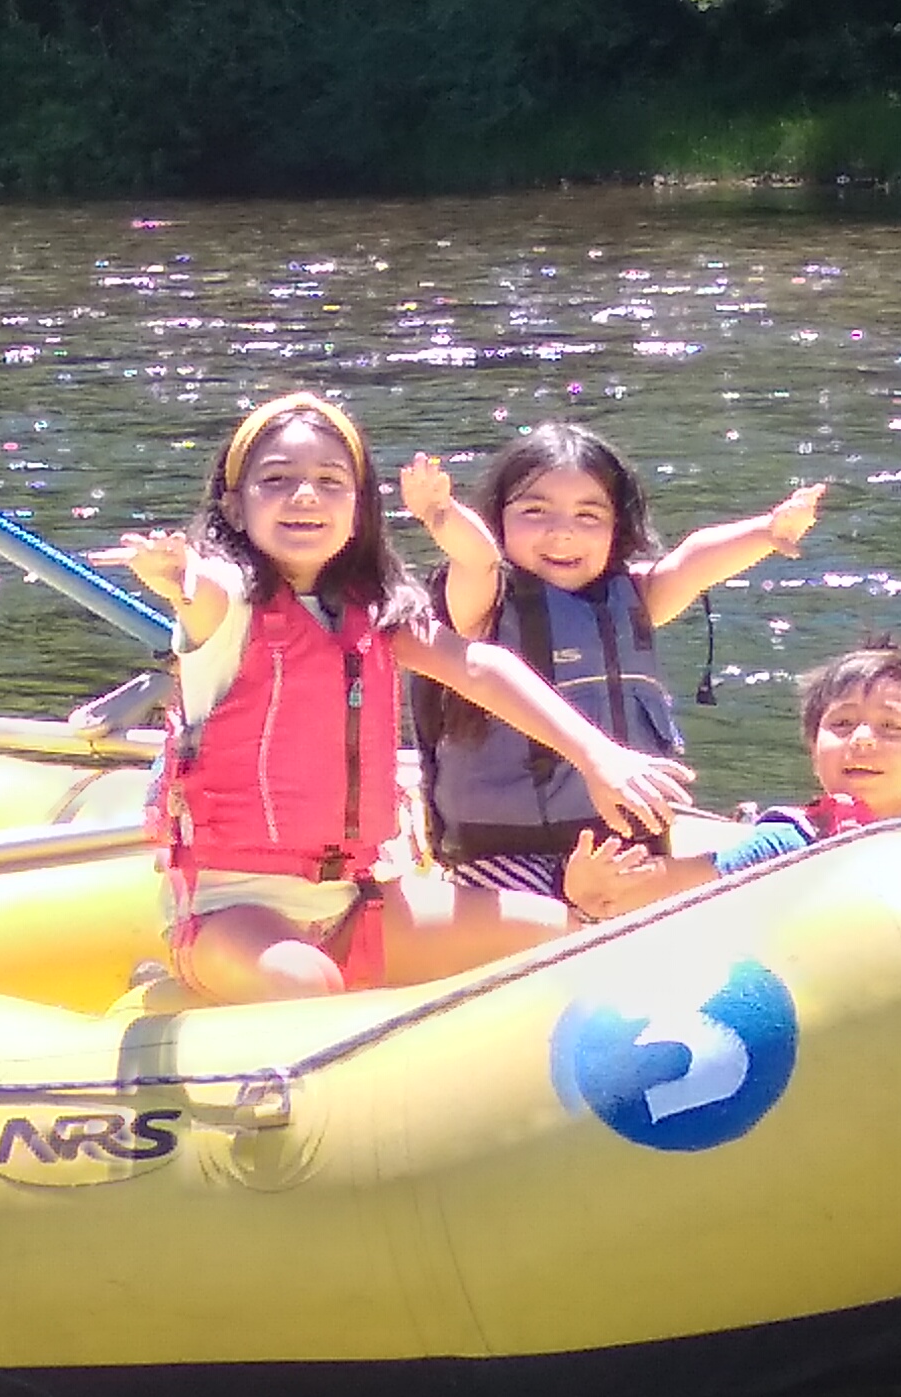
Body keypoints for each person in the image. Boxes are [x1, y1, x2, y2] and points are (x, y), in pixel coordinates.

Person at [107, 392, 700, 1000]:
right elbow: (202, 589)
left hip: (357, 902)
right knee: (305, 981)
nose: (305, 496)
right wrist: (177, 575)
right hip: (231, 907)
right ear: (234, 506)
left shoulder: (376, 613)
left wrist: (599, 757)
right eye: (277, 480)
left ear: (360, 506)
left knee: (578, 939)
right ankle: (187, 984)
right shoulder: (227, 601)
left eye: (330, 481)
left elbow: (479, 666)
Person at [394, 420, 827, 898]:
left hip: (628, 846)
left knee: (682, 894)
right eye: (535, 512)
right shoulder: (482, 602)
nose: (563, 534)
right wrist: (441, 514)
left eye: (589, 516)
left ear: (616, 529)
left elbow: (691, 561)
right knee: (577, 920)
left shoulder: (631, 599)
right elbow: (476, 557)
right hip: (508, 855)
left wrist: (767, 532)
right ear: (499, 520)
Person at [567, 634, 901, 912]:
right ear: (813, 748)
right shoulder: (794, 840)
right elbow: (692, 878)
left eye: (891, 728)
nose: (861, 741)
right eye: (841, 724)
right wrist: (598, 890)